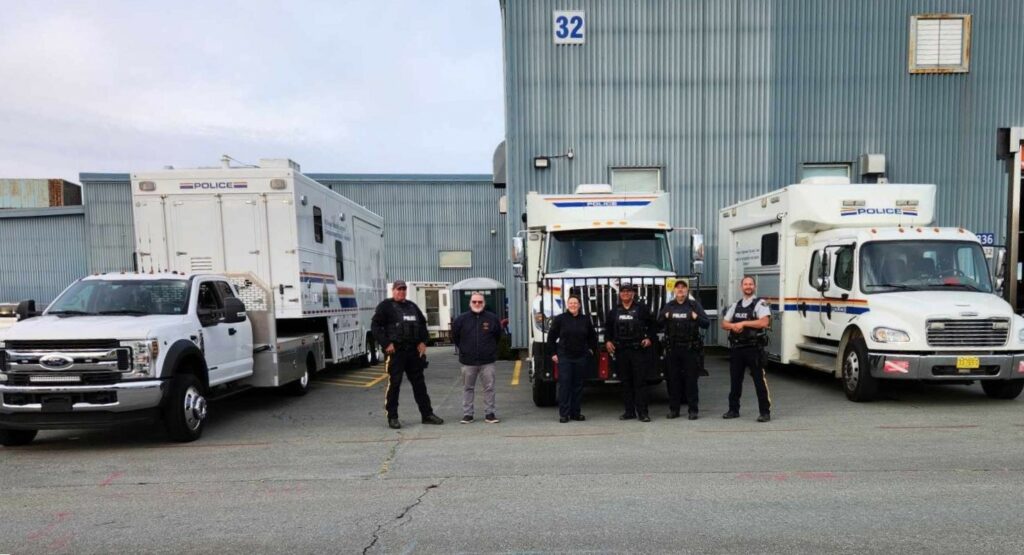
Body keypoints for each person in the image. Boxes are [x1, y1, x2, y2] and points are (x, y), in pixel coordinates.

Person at [371, 280, 445, 429]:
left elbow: (423, 325)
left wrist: (423, 342)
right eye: (399, 289)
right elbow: (375, 326)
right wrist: (386, 344)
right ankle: (392, 417)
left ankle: (427, 415)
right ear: (393, 290)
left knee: (420, 385)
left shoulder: (412, 306)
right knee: (395, 384)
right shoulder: (386, 306)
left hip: (413, 352)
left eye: (404, 289)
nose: (402, 292)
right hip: (396, 352)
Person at [720, 275, 772, 422]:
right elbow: (724, 324)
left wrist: (743, 323)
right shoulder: (736, 305)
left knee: (759, 381)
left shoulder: (760, 303)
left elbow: (764, 322)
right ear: (741, 287)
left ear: (754, 287)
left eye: (750, 284)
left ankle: (765, 412)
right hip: (737, 348)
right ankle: (733, 410)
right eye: (745, 284)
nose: (748, 286)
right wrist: (733, 326)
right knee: (735, 381)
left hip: (753, 348)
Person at [658, 280, 710, 420]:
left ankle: (693, 410)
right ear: (674, 290)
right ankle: (674, 410)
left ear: (687, 291)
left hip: (690, 348)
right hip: (673, 348)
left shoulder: (694, 306)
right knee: (673, 380)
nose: (680, 290)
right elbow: (658, 324)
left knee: (691, 380)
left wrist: (696, 317)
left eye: (683, 288)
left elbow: (706, 324)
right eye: (678, 287)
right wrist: (664, 316)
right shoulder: (669, 306)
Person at [605, 283, 656, 422]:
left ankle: (643, 413)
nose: (626, 293)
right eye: (623, 291)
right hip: (621, 351)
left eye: (628, 291)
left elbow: (653, 324)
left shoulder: (641, 309)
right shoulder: (614, 311)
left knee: (640, 382)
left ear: (633, 294)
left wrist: (650, 338)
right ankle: (629, 412)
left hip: (638, 350)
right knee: (625, 382)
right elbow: (608, 328)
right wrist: (608, 341)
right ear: (620, 294)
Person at [451, 292, 504, 424]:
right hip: (468, 361)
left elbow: (497, 336)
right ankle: (468, 414)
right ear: (470, 303)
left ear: (484, 303)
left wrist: (489, 350)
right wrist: (464, 350)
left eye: (480, 302)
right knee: (468, 388)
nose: (477, 304)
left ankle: (490, 414)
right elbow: (455, 337)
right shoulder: (461, 319)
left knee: (489, 388)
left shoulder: (492, 318)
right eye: (474, 302)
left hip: (487, 361)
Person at [546, 296, 598, 423]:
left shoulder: (585, 320)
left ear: (579, 305)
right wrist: (553, 353)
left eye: (575, 303)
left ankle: (576, 413)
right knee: (565, 385)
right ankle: (564, 414)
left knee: (578, 386)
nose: (573, 305)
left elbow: (592, 337)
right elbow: (551, 337)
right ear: (567, 305)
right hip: (565, 357)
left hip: (581, 357)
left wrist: (591, 350)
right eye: (571, 303)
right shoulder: (560, 319)